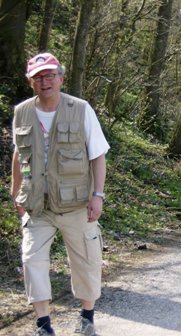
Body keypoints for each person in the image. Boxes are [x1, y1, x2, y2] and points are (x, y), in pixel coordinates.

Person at [10, 52, 110, 335]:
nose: (45, 82)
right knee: (32, 261)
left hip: (76, 203)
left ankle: (87, 318)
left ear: (61, 78)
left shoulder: (80, 109)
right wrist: (15, 190)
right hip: (37, 205)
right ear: (30, 81)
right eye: (38, 77)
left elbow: (98, 155)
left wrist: (98, 195)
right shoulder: (22, 112)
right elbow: (19, 154)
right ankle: (44, 324)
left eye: (50, 75)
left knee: (86, 261)